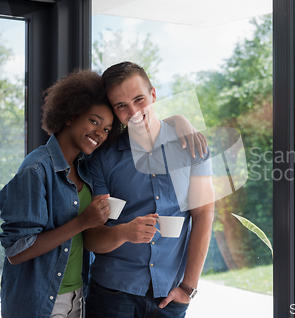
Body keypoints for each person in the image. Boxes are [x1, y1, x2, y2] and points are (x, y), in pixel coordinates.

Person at [84, 61, 215, 318]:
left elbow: (204, 216)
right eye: (121, 106)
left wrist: (188, 287)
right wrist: (123, 232)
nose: (133, 111)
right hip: (112, 293)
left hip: (169, 296)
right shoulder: (102, 159)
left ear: (153, 94)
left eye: (139, 99)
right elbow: (91, 238)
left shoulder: (192, 147)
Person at [0, 70, 115, 318]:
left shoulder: (85, 167)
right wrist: (83, 222)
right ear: (70, 116)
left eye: (106, 129)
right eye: (94, 121)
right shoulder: (36, 170)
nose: (100, 133)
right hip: (40, 302)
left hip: (78, 297)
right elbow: (17, 252)